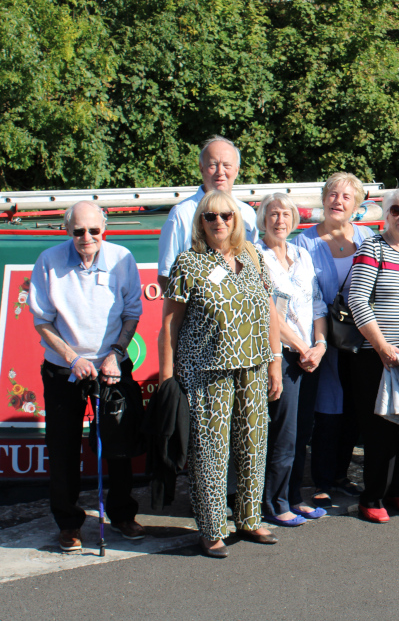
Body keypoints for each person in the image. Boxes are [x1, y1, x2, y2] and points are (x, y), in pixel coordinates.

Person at [160, 190, 282, 558]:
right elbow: (170, 324)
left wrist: (275, 361)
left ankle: (248, 518)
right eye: (210, 217)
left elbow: (270, 312)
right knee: (210, 452)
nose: (219, 223)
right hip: (206, 371)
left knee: (253, 445)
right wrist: (168, 379)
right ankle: (212, 529)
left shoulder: (253, 256)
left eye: (226, 216)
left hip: (254, 367)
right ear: (200, 222)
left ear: (237, 220)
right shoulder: (189, 262)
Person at [29, 202, 144, 552]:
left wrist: (115, 355)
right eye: (79, 231)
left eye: (94, 230)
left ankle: (122, 514)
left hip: (111, 366)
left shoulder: (122, 258)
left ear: (104, 228)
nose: (87, 237)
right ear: (68, 231)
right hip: (64, 368)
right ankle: (68, 523)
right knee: (63, 449)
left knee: (118, 446)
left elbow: (132, 314)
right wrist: (71, 357)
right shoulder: (48, 261)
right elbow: (42, 322)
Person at [345, 188, 399, 523]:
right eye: (397, 210)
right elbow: (357, 301)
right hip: (378, 354)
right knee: (380, 427)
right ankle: (373, 496)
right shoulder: (373, 247)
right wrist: (381, 347)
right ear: (387, 212)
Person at [290, 173, 373, 505]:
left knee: (354, 405)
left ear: (356, 204)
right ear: (323, 198)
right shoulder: (303, 243)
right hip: (320, 335)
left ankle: (341, 474)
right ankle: (322, 478)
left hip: (359, 335)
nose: (338, 201)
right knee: (326, 408)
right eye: (333, 194)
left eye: (346, 197)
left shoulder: (368, 238)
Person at [255, 193, 329, 527]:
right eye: (273, 214)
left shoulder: (301, 254)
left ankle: (294, 496)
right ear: (263, 219)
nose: (280, 220)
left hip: (309, 354)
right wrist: (301, 346)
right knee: (282, 432)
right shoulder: (255, 256)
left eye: (286, 214)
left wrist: (321, 343)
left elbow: (316, 304)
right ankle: (274, 501)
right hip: (281, 356)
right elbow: (268, 313)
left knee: (302, 431)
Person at [157, 136, 258, 290]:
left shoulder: (248, 214)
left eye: (227, 165)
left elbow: (254, 266)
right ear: (201, 168)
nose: (220, 172)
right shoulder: (181, 214)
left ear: (237, 170)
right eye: (213, 165)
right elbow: (166, 276)